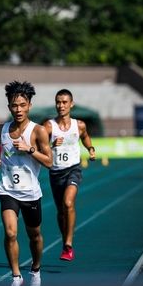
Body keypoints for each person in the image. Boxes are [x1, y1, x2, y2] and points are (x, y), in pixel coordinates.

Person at [0, 81, 53, 286]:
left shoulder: (39, 131)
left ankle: (35, 269)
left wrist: (30, 149)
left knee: (34, 236)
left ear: (29, 106)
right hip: (7, 190)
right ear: (9, 107)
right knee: (10, 233)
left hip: (31, 193)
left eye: (22, 105)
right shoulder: (1, 130)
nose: (18, 109)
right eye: (14, 105)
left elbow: (49, 162)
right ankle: (16, 276)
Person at [43, 89, 96, 261]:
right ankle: (65, 237)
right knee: (60, 212)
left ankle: (68, 245)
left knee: (68, 202)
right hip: (55, 172)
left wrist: (91, 149)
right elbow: (38, 145)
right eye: (58, 102)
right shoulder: (49, 126)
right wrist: (51, 143)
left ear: (71, 104)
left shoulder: (79, 125)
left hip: (73, 169)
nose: (61, 106)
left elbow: (85, 137)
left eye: (64, 102)